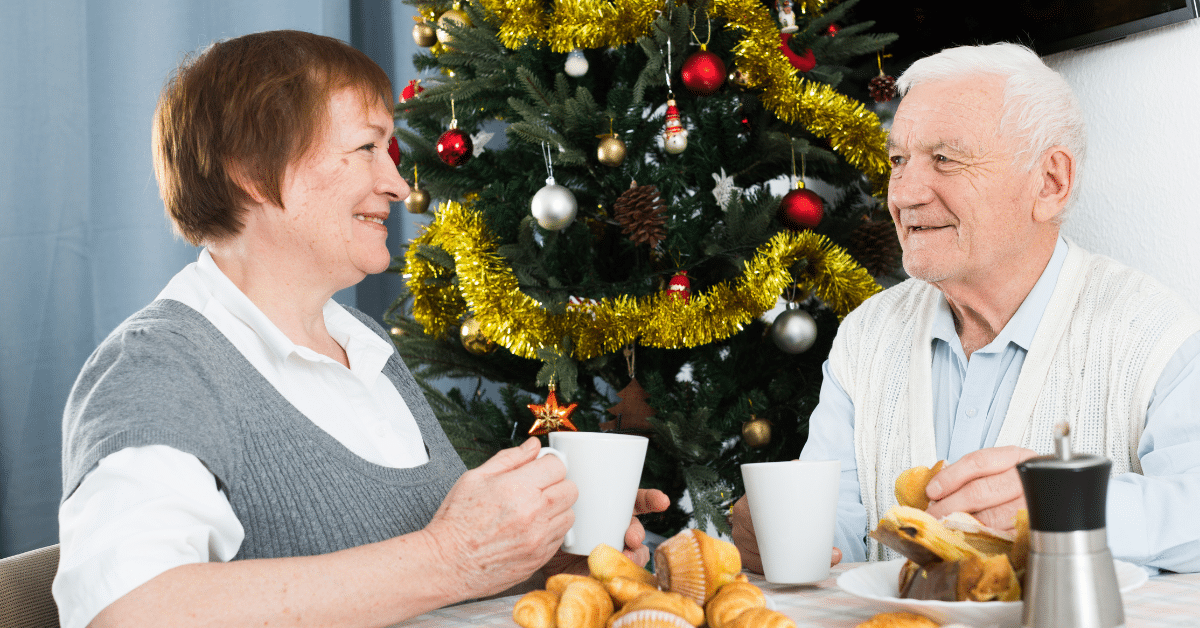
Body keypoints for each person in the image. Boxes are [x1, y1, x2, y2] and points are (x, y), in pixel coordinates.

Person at [54, 30, 669, 628]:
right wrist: (452, 557)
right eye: (366, 149)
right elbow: (129, 611)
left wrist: (537, 558)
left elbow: (418, 580)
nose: (398, 185)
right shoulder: (160, 369)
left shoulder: (364, 348)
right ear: (249, 170)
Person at [731, 42, 1200, 573]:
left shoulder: (1154, 335)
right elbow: (841, 535)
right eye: (898, 160)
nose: (904, 194)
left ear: (1050, 182)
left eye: (945, 160)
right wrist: (779, 533)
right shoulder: (866, 336)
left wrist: (1066, 503)